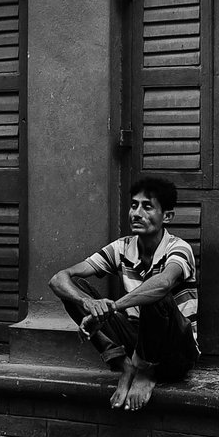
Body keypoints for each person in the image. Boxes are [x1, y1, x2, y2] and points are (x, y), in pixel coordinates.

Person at [49, 176, 199, 411]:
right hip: (136, 343)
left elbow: (163, 283)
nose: (136, 213)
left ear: (167, 216)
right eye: (134, 205)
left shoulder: (179, 248)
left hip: (176, 352)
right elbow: (59, 279)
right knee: (74, 289)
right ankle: (126, 367)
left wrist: (111, 307)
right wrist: (88, 303)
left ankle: (146, 372)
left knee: (154, 291)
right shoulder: (122, 247)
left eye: (147, 206)